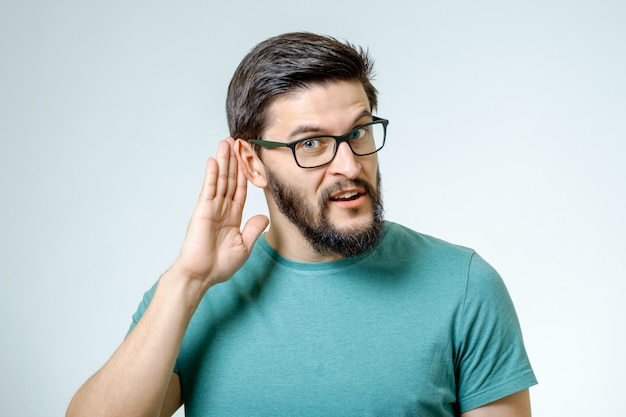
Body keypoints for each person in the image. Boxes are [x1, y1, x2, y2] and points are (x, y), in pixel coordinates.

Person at [66, 32, 537, 417]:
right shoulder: (195, 296)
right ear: (253, 163)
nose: (349, 166)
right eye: (311, 144)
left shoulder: (463, 285)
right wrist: (187, 282)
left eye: (358, 132)